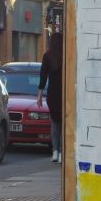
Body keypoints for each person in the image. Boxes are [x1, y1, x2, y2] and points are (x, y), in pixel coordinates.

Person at [37, 32, 63, 163]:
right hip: (64, 93)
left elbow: (43, 76)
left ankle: (55, 151)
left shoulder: (47, 56)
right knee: (64, 123)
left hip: (52, 94)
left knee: (54, 123)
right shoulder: (65, 55)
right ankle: (63, 153)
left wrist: (39, 96)